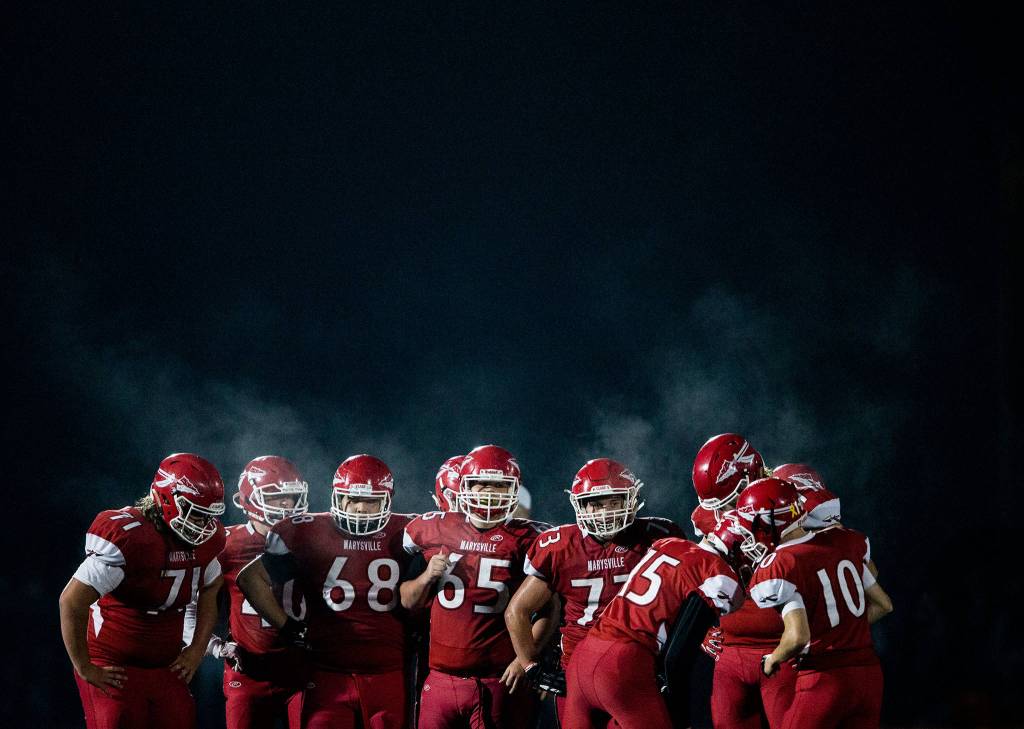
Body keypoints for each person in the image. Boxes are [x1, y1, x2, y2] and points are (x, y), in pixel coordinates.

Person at [237, 454, 416, 729]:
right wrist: (287, 627)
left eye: (370, 502)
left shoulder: (406, 529)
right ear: (337, 497)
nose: (360, 509)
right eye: (352, 499)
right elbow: (250, 578)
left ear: (387, 501)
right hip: (327, 672)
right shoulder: (309, 530)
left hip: (387, 671)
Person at [505, 457, 683, 720]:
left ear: (630, 500)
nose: (606, 512)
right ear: (581, 506)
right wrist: (532, 667)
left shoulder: (656, 536)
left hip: (639, 665)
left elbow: (682, 603)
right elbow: (516, 611)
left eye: (614, 502)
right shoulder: (560, 546)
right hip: (579, 669)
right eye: (597, 504)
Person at [59, 453, 227, 729]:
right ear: (166, 499)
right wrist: (84, 666)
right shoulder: (131, 537)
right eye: (196, 514)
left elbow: (211, 588)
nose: (204, 526)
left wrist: (196, 650)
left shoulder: (206, 542)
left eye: (209, 516)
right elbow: (71, 601)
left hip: (165, 664)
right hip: (114, 664)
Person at [401, 444, 555, 729]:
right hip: (439, 676)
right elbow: (407, 599)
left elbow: (550, 609)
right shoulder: (436, 528)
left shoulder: (527, 537)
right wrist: (427, 577)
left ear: (513, 490)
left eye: (498, 485)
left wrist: (525, 659)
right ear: (464, 487)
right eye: (481, 484)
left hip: (497, 679)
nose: (488, 493)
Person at [737, 477, 894, 729]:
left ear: (770, 522)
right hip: (868, 675)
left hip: (824, 677)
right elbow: (884, 604)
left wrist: (772, 660)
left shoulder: (783, 563)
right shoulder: (845, 541)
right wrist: (845, 632)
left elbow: (797, 637)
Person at [562, 523, 745, 729]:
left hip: (584, 654)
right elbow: (678, 657)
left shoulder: (668, 543)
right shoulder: (714, 570)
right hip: (622, 664)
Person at [691, 435, 794, 729]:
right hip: (731, 652)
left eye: (730, 502)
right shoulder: (708, 518)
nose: (725, 514)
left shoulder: (792, 497)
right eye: (718, 506)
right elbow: (696, 576)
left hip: (782, 646)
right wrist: (700, 627)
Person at [208, 455, 311, 729]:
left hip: (302, 669)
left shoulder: (310, 534)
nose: (288, 505)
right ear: (248, 499)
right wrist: (215, 646)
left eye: (292, 496)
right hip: (249, 671)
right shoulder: (226, 544)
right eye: (277, 498)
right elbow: (192, 603)